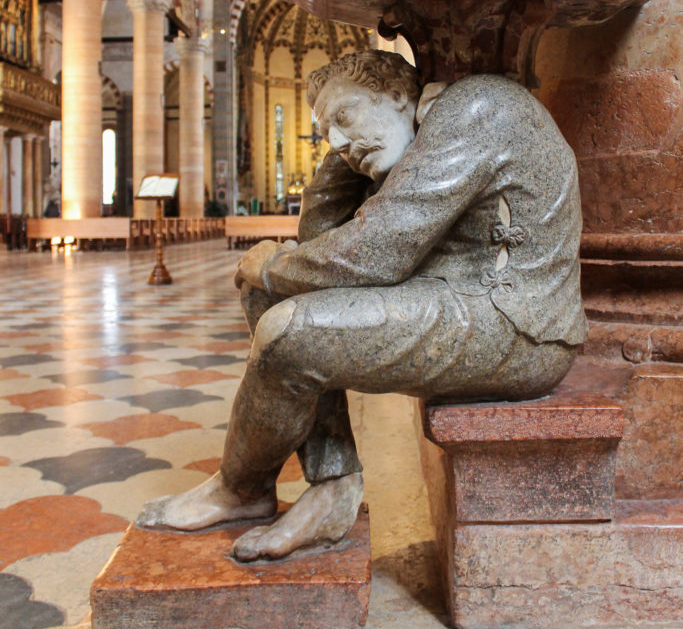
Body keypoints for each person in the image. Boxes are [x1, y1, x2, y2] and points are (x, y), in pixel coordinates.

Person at [138, 50, 587, 560]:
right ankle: (330, 486)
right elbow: (321, 239)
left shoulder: (475, 107)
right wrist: (349, 141)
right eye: (326, 133)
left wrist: (270, 263)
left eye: (345, 118)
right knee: (271, 294)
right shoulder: (417, 126)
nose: (338, 143)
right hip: (457, 298)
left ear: (399, 95)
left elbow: (380, 253)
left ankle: (239, 487)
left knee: (290, 329)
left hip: (515, 324)